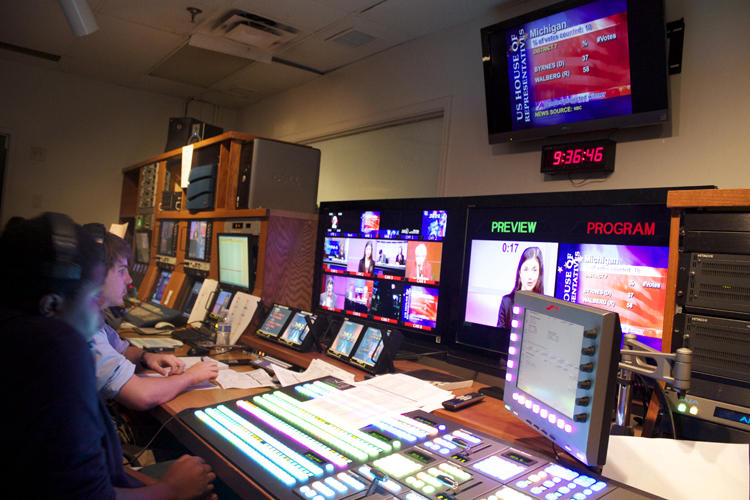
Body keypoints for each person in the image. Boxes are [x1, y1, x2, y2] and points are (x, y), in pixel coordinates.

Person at [0, 213, 216, 499]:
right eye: (92, 297)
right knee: (216, 478)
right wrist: (171, 490)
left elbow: (80, 473)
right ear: (51, 305)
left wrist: (155, 486)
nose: (99, 312)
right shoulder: (57, 350)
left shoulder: (16, 334)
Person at [92, 231, 219, 411]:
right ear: (95, 275)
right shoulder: (86, 333)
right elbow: (142, 395)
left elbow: (121, 350)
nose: (129, 280)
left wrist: (146, 358)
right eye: (121, 271)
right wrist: (190, 377)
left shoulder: (93, 319)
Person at [497, 247, 545, 329]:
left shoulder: (544, 306)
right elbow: (498, 336)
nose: (530, 276)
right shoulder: (506, 302)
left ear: (539, 273)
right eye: (526, 269)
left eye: (534, 270)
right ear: (520, 271)